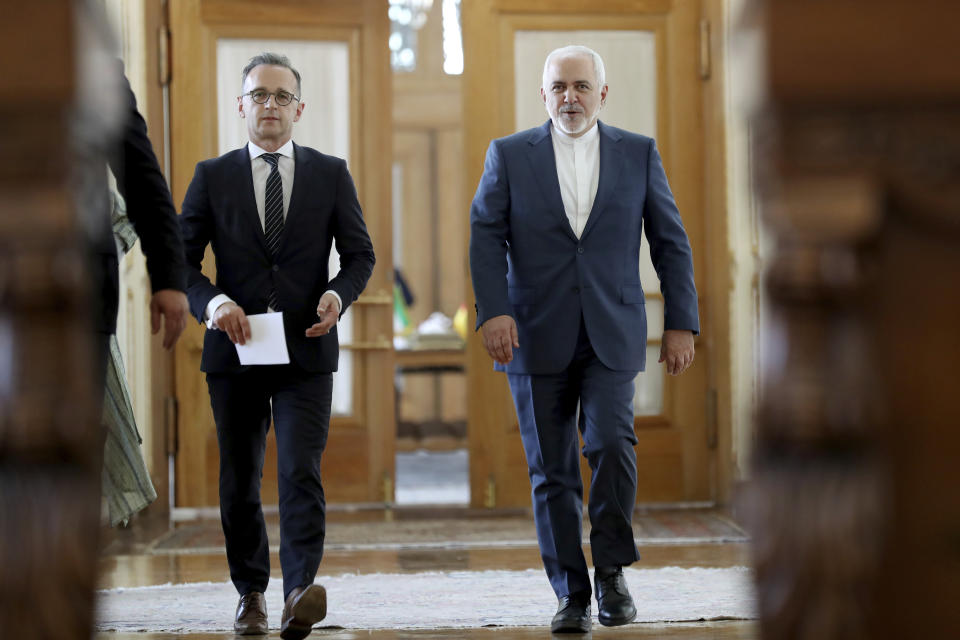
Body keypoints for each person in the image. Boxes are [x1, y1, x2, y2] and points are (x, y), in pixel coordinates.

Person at [469, 45, 699, 633]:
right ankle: (570, 592)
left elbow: (670, 243)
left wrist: (680, 323)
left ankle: (612, 574)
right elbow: (484, 236)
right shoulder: (508, 155)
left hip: (611, 331)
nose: (569, 97)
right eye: (558, 87)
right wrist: (493, 312)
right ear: (543, 95)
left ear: (602, 93)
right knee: (552, 470)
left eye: (580, 86)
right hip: (531, 332)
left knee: (612, 447)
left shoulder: (639, 153)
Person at [179, 53, 375, 639]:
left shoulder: (330, 173)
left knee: (298, 469)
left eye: (281, 96)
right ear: (240, 105)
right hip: (234, 352)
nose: (270, 105)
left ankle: (297, 593)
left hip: (306, 352)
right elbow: (181, 262)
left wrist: (339, 296)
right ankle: (251, 594)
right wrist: (215, 305)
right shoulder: (211, 176)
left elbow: (360, 256)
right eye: (258, 95)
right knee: (239, 476)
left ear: (299, 108)